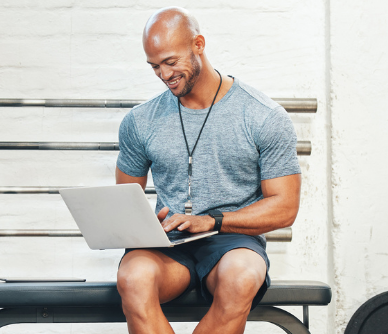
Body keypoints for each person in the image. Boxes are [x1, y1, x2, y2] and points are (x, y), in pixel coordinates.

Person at [115, 6, 302, 334]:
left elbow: (284, 208)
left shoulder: (262, 116)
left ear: (198, 44)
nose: (164, 74)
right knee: (133, 278)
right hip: (167, 246)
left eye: (171, 62)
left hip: (231, 243)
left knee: (242, 277)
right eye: (155, 66)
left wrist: (213, 220)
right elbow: (122, 201)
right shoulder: (140, 121)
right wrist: (144, 226)